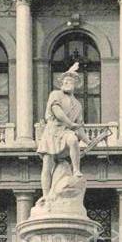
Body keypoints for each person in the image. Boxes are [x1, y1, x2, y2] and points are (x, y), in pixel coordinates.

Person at [37, 62, 90, 201]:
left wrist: (87, 141)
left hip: (66, 132)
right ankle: (46, 195)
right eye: (65, 81)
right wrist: (70, 123)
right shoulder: (55, 94)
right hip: (52, 132)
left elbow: (79, 127)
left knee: (73, 140)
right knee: (47, 164)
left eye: (70, 81)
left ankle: (76, 170)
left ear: (75, 85)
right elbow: (57, 112)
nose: (67, 83)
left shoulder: (78, 105)